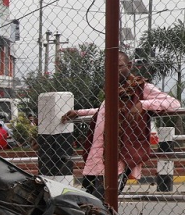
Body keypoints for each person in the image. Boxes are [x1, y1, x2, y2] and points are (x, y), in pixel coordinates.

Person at [65, 55, 180, 198]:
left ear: (129, 65)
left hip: (120, 152)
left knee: (104, 198)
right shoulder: (116, 90)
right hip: (98, 151)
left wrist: (142, 105)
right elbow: (104, 111)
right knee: (90, 196)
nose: (115, 71)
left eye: (119, 66)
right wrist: (78, 113)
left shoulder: (141, 87)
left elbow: (174, 103)